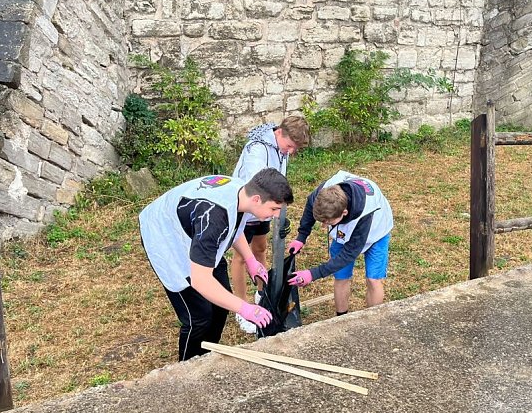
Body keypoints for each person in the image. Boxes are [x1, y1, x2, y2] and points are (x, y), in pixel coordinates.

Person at [139, 168, 294, 361]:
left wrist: (251, 260)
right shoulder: (213, 220)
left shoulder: (243, 192)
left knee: (220, 306)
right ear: (257, 199)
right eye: (274, 209)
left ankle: (206, 356)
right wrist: (245, 308)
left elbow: (235, 227)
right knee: (199, 317)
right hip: (164, 237)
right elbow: (201, 281)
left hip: (196, 232)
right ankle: (187, 367)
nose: (277, 215)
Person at [231, 116, 310, 333]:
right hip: (248, 210)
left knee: (260, 249)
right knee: (240, 257)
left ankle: (261, 292)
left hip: (265, 210)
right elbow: (254, 189)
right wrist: (270, 212)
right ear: (280, 133)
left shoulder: (281, 148)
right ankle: (242, 307)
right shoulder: (257, 150)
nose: (291, 152)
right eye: (290, 146)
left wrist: (278, 213)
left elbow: (278, 183)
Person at [287, 171, 393, 315]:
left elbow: (348, 254)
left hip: (377, 232)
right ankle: (341, 318)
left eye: (328, 222)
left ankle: (373, 321)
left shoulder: (366, 212)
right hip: (345, 231)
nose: (324, 227)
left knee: (373, 279)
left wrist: (313, 274)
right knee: (341, 276)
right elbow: (310, 205)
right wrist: (301, 236)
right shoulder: (324, 192)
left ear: (344, 212)